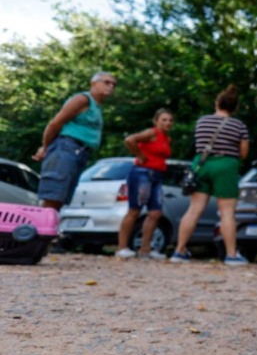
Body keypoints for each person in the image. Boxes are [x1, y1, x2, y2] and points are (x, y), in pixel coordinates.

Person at [169, 85, 250, 266]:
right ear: (234, 107)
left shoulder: (202, 121)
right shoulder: (239, 125)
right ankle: (231, 255)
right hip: (226, 165)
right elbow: (244, 153)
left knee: (194, 209)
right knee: (227, 212)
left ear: (217, 103)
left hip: (202, 164)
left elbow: (199, 142)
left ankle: (179, 251)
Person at [33, 71, 117, 212]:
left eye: (114, 84)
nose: (111, 86)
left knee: (61, 198)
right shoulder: (82, 99)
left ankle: (48, 231)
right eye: (106, 82)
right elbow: (55, 123)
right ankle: (42, 231)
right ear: (93, 83)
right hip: (67, 148)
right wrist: (45, 147)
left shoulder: (96, 106)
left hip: (80, 152)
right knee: (54, 196)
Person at [115, 108, 175, 260]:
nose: (167, 123)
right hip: (142, 173)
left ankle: (145, 249)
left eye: (170, 120)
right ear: (156, 121)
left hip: (157, 175)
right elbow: (129, 140)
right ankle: (122, 247)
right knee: (135, 210)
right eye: (164, 120)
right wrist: (140, 155)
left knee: (155, 213)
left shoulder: (167, 138)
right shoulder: (151, 133)